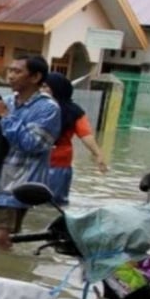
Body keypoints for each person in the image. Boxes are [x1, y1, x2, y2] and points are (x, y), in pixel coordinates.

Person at [0, 55, 60, 248]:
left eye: (17, 71)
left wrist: (6, 118)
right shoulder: (6, 102)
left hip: (18, 185)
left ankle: (5, 274)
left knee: (2, 236)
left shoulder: (48, 108)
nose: (10, 76)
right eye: (10, 70)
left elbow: (33, 144)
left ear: (35, 77)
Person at [42, 72, 108, 205]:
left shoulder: (73, 111)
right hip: (36, 159)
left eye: (45, 86)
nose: (41, 90)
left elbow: (85, 134)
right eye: (41, 86)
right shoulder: (35, 106)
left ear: (56, 88)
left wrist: (98, 154)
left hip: (58, 161)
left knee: (55, 202)